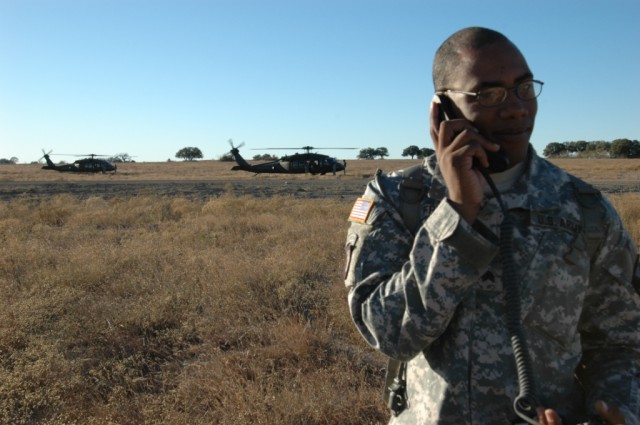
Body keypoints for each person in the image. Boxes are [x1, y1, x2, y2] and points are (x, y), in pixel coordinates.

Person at [343, 27, 640, 425]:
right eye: (488, 94)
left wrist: (612, 411)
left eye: (524, 88)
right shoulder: (399, 198)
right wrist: (458, 212)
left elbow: (622, 343)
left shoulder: (584, 209)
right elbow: (388, 333)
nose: (517, 107)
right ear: (442, 109)